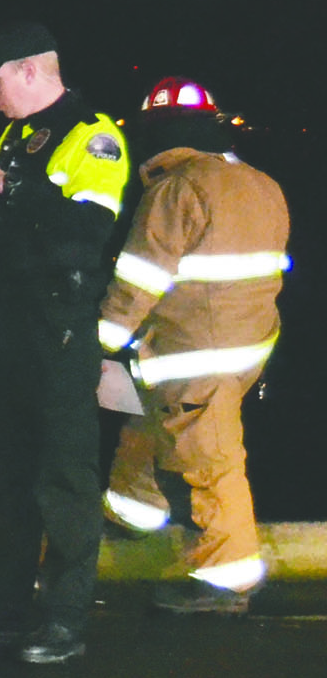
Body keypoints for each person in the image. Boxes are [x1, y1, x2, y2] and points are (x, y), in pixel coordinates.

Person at [0, 22, 130, 665]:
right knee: (10, 473)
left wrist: (10, 187)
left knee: (63, 475)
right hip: (8, 320)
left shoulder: (94, 134)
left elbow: (87, 229)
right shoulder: (15, 136)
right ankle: (0, 606)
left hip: (58, 322)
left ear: (31, 71)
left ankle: (64, 618)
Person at [96, 77, 290, 611]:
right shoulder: (261, 183)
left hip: (194, 352)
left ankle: (227, 579)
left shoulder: (176, 189)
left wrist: (100, 344)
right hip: (248, 348)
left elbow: (137, 281)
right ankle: (133, 515)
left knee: (211, 462)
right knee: (150, 424)